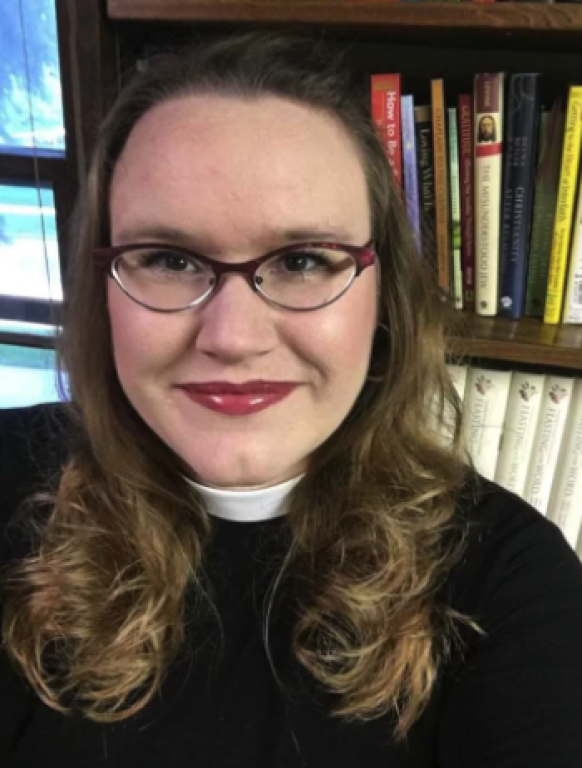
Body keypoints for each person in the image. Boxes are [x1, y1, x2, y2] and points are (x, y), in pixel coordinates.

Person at [1, 31, 582, 768]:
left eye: (304, 260)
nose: (233, 337)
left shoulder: (507, 583)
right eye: (169, 260)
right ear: (100, 289)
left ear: (383, 298)